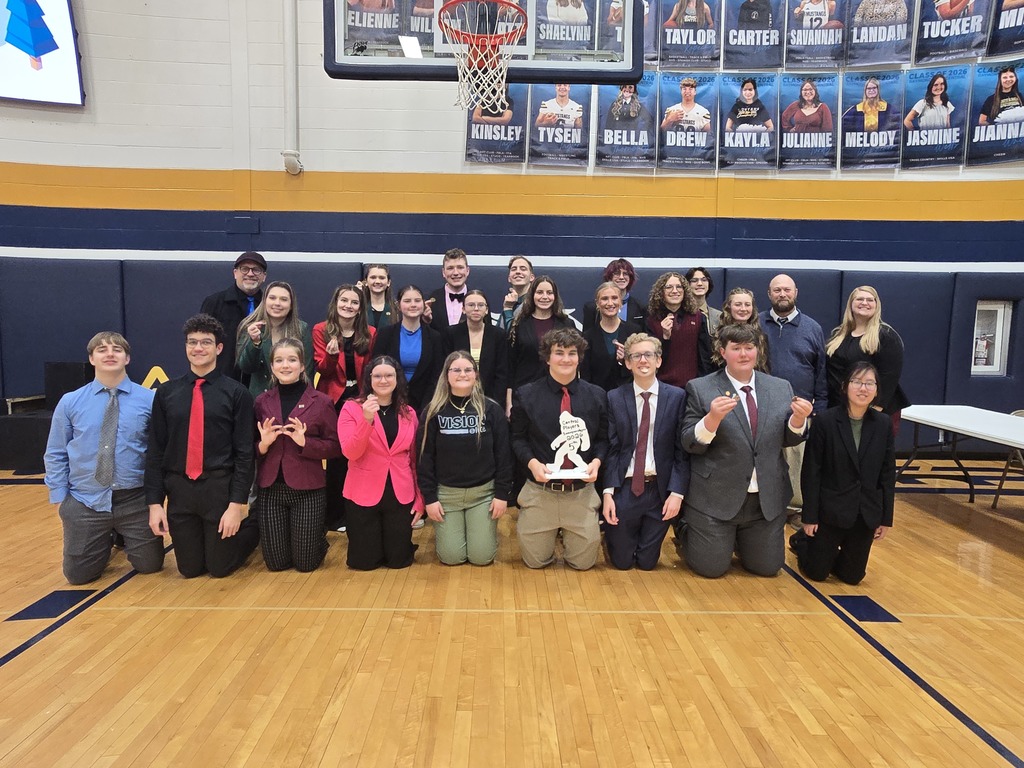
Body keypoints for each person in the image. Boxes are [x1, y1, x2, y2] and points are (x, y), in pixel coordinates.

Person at [679, 323, 813, 578]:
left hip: (764, 502)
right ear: (722, 352)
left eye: (749, 348)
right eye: (736, 348)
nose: (743, 354)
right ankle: (686, 528)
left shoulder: (780, 387)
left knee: (767, 568)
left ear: (758, 351)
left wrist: (798, 421)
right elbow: (690, 443)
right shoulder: (700, 388)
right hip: (715, 499)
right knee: (711, 569)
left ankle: (740, 540)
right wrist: (712, 420)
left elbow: (786, 438)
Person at [145, 314, 260, 578]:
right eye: (192, 342)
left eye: (206, 342)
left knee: (220, 568)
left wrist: (236, 504)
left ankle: (254, 525)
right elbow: (156, 450)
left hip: (218, 487)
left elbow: (244, 452)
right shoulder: (166, 393)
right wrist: (154, 503)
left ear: (218, 348)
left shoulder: (236, 393)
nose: (198, 348)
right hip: (181, 490)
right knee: (189, 569)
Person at [44, 332, 164, 584]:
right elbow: (56, 451)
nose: (110, 353)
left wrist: (156, 500)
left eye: (117, 349)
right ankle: (103, 538)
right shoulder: (70, 402)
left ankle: (120, 535)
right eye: (102, 349)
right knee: (78, 577)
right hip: (86, 499)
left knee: (150, 566)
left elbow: (158, 452)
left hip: (134, 499)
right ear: (91, 358)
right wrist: (61, 498)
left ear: (127, 358)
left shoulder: (150, 400)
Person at [510, 327, 608, 570]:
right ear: (547, 357)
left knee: (584, 564)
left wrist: (596, 461)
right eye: (559, 353)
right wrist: (532, 464)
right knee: (534, 562)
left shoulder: (596, 395)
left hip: (581, 493)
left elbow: (604, 440)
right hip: (540, 491)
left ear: (580, 357)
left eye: (572, 353)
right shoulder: (527, 394)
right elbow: (517, 439)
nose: (566, 359)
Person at [790, 362, 895, 584]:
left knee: (852, 577)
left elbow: (887, 474)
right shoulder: (825, 422)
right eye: (857, 382)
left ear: (876, 390)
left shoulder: (883, 424)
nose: (863, 388)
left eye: (869, 383)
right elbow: (812, 472)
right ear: (845, 386)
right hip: (830, 511)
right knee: (817, 573)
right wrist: (809, 517)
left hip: (864, 512)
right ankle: (802, 541)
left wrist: (885, 518)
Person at [417, 352, 513, 566]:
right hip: (446, 495)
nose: (462, 374)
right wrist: (430, 499)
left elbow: (504, 456)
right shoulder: (432, 411)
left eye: (468, 369)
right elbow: (424, 458)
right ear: (446, 375)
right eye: (456, 370)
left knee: (482, 558)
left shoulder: (492, 410)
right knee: (452, 558)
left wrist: (501, 494)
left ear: (476, 375)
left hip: (483, 495)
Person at [602, 333, 689, 570]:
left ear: (658, 361)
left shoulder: (677, 397)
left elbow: (682, 451)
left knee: (647, 563)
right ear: (627, 363)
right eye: (636, 356)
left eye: (648, 355)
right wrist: (608, 493)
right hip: (626, 488)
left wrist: (677, 493)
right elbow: (612, 448)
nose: (643, 360)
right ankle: (611, 536)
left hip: (659, 491)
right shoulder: (614, 398)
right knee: (621, 563)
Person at [253, 339, 341, 572]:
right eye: (279, 360)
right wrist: (263, 445)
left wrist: (306, 443)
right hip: (271, 489)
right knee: (276, 564)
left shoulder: (321, 402)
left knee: (305, 564)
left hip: (308, 489)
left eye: (292, 360)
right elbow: (248, 448)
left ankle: (317, 540)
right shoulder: (261, 402)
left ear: (302, 366)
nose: (285, 365)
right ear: (272, 367)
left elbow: (335, 446)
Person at [338, 356, 424, 570]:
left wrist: (420, 498)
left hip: (399, 492)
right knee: (364, 563)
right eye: (377, 375)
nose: (383, 380)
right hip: (363, 492)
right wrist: (366, 420)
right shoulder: (351, 408)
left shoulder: (409, 413)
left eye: (389, 375)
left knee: (399, 562)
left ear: (397, 379)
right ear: (369, 379)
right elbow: (350, 452)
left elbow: (415, 460)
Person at [758, 274, 828, 524]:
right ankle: (767, 507)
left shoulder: (812, 328)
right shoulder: (757, 324)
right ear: (769, 294)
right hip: (764, 406)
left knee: (797, 460)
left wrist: (819, 406)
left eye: (787, 289)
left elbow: (821, 371)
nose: (782, 294)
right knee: (765, 457)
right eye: (777, 290)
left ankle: (796, 509)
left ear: (796, 292)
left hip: (799, 408)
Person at [312, 284, 376, 532]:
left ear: (361, 308)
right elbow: (323, 370)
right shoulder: (321, 330)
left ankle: (357, 510)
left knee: (359, 454)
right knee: (337, 457)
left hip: (359, 397)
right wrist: (330, 355)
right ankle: (333, 515)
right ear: (335, 303)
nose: (348, 306)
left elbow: (370, 369)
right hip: (333, 399)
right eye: (344, 301)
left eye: (354, 302)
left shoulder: (369, 333)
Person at [825, 286, 910, 432]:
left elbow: (888, 377)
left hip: (874, 411)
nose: (864, 302)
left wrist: (872, 412)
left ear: (876, 305)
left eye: (870, 300)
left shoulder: (886, 336)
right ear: (851, 304)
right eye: (859, 299)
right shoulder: (838, 335)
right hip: (842, 408)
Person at [507, 275, 574, 414]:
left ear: (555, 296)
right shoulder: (519, 324)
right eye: (539, 292)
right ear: (532, 295)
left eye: (549, 293)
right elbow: (510, 365)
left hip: (559, 394)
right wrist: (508, 402)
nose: (545, 297)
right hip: (524, 394)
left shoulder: (566, 324)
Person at [371, 285, 445, 411]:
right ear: (399, 305)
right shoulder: (385, 334)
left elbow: (437, 375)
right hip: (390, 401)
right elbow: (376, 368)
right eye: (407, 301)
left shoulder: (435, 337)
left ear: (424, 305)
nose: (413, 304)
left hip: (425, 403)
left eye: (417, 300)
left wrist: (427, 407)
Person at [236, 281, 316, 398]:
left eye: (284, 299)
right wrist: (255, 342)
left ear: (291, 305)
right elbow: (247, 368)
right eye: (272, 298)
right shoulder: (250, 326)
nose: (277, 303)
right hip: (260, 401)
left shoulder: (301, 329)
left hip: (294, 398)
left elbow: (307, 371)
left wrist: (306, 403)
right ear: (264, 301)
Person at [200, 252, 267, 381]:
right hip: (223, 379)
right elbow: (203, 342)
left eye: (256, 270)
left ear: (264, 276)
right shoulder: (214, 302)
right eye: (244, 269)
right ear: (235, 273)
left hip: (258, 381)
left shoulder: (270, 306)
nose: (250, 274)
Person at [646, 271, 711, 389]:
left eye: (679, 287)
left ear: (685, 291)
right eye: (669, 287)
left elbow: (704, 356)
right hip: (661, 386)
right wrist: (665, 337)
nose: (675, 291)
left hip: (692, 386)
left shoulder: (697, 317)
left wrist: (703, 384)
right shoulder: (652, 320)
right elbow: (651, 358)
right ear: (661, 292)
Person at [446, 290, 508, 401]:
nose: (476, 309)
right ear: (463, 309)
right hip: (457, 395)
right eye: (471, 305)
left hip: (490, 397)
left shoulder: (498, 335)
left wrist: (496, 403)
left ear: (487, 310)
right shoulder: (451, 333)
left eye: (480, 305)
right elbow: (446, 369)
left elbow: (502, 373)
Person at [581, 282, 641, 392]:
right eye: (604, 299)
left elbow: (641, 369)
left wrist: (625, 360)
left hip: (628, 396)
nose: (610, 303)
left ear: (621, 302)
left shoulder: (634, 332)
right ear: (597, 304)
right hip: (597, 397)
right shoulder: (587, 336)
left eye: (614, 298)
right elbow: (585, 376)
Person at [712, 287, 770, 373]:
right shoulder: (717, 336)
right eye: (738, 304)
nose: (743, 309)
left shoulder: (761, 337)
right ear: (729, 307)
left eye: (747, 304)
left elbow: (764, 369)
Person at [582, 258, 647, 332]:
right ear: (609, 277)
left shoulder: (641, 307)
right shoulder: (591, 308)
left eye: (625, 274)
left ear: (630, 278)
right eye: (617, 273)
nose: (621, 277)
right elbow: (586, 338)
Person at [427, 248, 477, 336]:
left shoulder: (479, 299)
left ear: (468, 270)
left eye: (460, 267)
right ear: (443, 272)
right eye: (450, 268)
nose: (456, 273)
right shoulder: (431, 300)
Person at [500, 255, 535, 330]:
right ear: (509, 278)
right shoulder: (508, 302)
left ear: (531, 277)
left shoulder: (536, 303)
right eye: (514, 269)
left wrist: (508, 309)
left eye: (523, 269)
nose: (518, 272)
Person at [360, 263, 396, 330]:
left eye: (382, 278)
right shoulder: (358, 308)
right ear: (366, 281)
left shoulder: (397, 309)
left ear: (388, 282)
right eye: (373, 277)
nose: (377, 281)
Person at [686, 267, 721, 335]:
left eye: (704, 280)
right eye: (694, 280)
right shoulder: (680, 315)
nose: (699, 283)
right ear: (687, 284)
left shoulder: (719, 316)